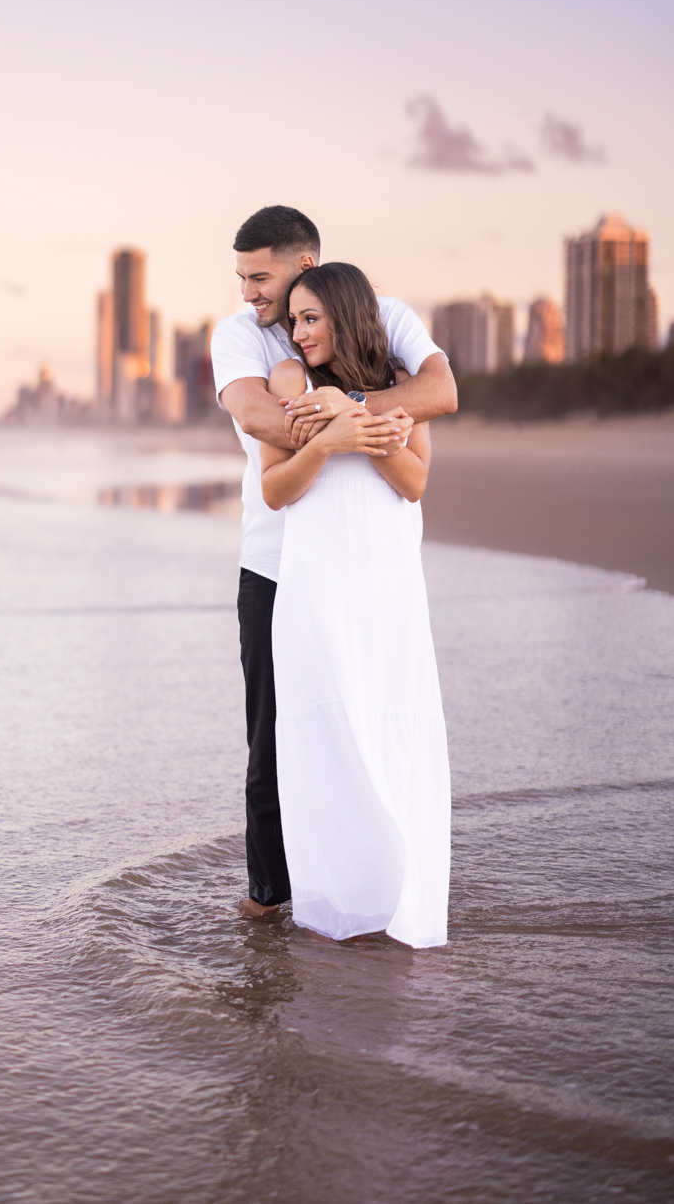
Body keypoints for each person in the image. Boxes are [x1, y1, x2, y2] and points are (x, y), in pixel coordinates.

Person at [210, 207, 456, 918]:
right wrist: (335, 421)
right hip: (274, 567)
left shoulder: (388, 316)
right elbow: (258, 418)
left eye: (260, 277)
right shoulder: (244, 339)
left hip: (373, 573)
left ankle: (376, 887)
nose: (250, 293)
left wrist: (346, 408)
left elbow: (438, 393)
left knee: (375, 726)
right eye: (243, 277)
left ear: (305, 268)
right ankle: (272, 903)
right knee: (277, 743)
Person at [261, 262, 450, 946]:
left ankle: (399, 897)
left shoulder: (399, 387)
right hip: (315, 592)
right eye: (294, 321)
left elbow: (414, 482)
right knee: (325, 740)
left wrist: (356, 415)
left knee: (388, 729)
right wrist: (331, 437)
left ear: (344, 314)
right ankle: (334, 908)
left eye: (312, 318)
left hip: (386, 589)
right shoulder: (290, 384)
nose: (300, 332)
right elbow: (276, 489)